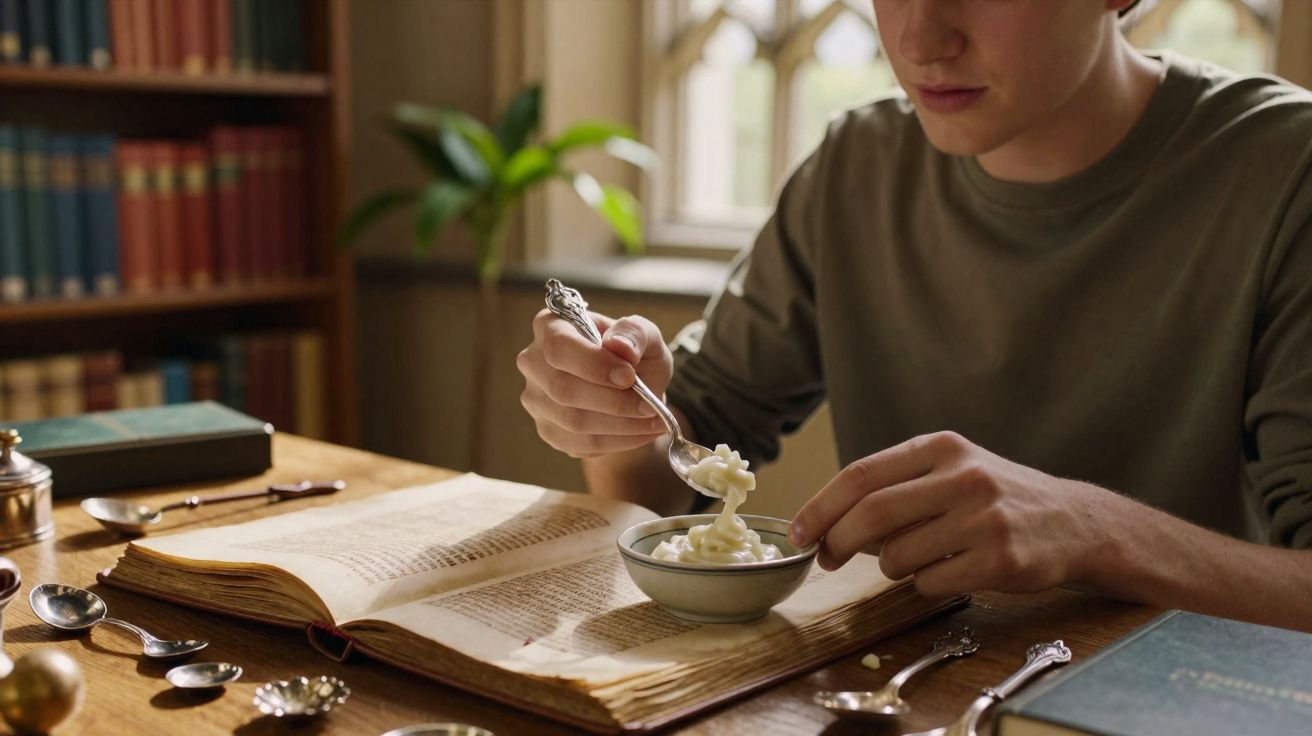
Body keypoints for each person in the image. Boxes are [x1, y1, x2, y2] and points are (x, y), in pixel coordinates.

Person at [516, 0, 1312, 632]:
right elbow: (670, 487)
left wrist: (1093, 532)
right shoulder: (855, 168)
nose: (922, 38)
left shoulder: (1285, 175)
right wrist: (613, 415)